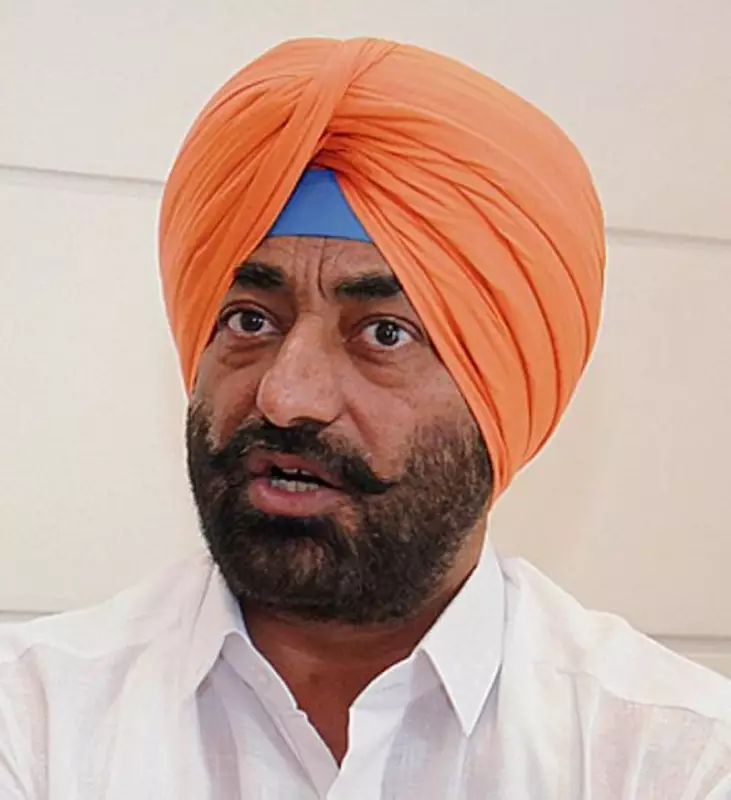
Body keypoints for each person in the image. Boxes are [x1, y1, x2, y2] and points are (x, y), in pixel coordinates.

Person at [1, 36, 730, 800]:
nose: (287, 396)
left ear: (504, 392)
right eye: (250, 320)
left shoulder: (671, 761)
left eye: (383, 334)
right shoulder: (34, 727)